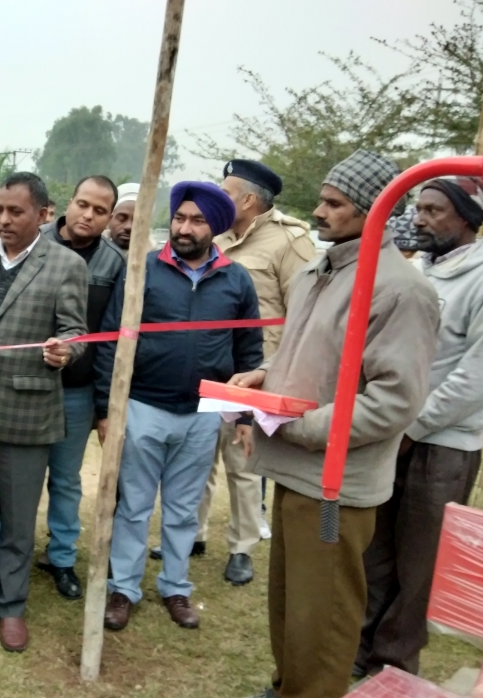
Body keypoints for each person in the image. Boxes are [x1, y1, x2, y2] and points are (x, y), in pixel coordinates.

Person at [234, 150, 440, 698]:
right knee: (289, 600)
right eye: (321, 199)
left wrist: (300, 426)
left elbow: (395, 400)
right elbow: (306, 359)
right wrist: (261, 379)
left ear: (373, 212)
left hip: (336, 489)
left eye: (334, 203)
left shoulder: (400, 289)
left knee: (323, 613)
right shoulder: (314, 272)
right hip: (293, 465)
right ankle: (289, 687)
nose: (318, 212)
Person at [96, 182, 263, 633]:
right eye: (180, 218)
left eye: (197, 220)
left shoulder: (236, 279)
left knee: (184, 507)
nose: (185, 228)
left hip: (203, 412)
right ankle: (124, 588)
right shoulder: (144, 270)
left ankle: (175, 585)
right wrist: (105, 409)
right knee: (132, 505)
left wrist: (244, 414)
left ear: (216, 228)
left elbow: (249, 352)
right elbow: (112, 339)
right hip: (143, 406)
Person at [0, 172, 88, 653]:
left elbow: (76, 333)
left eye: (15, 211)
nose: (3, 219)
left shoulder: (65, 265)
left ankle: (10, 605)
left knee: (19, 520)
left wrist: (64, 352)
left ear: (43, 215)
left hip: (27, 412)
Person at [356, 177, 483, 678]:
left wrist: (416, 424)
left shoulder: (479, 277)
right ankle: (361, 648)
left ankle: (394, 660)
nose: (421, 219)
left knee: (419, 560)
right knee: (376, 547)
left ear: (468, 219)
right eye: (418, 208)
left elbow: (473, 377)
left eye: (434, 210)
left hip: (444, 443)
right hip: (395, 433)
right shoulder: (418, 273)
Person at [192, 160, 316, 586]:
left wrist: (277, 370)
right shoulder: (217, 237)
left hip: (255, 370)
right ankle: (195, 532)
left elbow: (305, 311)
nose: (216, 198)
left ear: (247, 199)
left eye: (225, 191)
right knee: (200, 459)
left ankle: (242, 546)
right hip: (210, 364)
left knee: (243, 463)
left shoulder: (289, 241)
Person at [36, 176, 124, 600]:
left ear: (110, 217)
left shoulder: (114, 264)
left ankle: (62, 557)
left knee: (67, 479)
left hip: (77, 389)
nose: (88, 216)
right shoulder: (34, 246)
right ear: (68, 204)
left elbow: (112, 339)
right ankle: (7, 547)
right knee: (20, 475)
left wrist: (104, 404)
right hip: (28, 386)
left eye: (100, 210)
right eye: (83, 204)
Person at [106, 182, 139, 250]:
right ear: (109, 220)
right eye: (121, 218)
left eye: (137, 221)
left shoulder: (156, 259)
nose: (129, 227)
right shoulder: (91, 254)